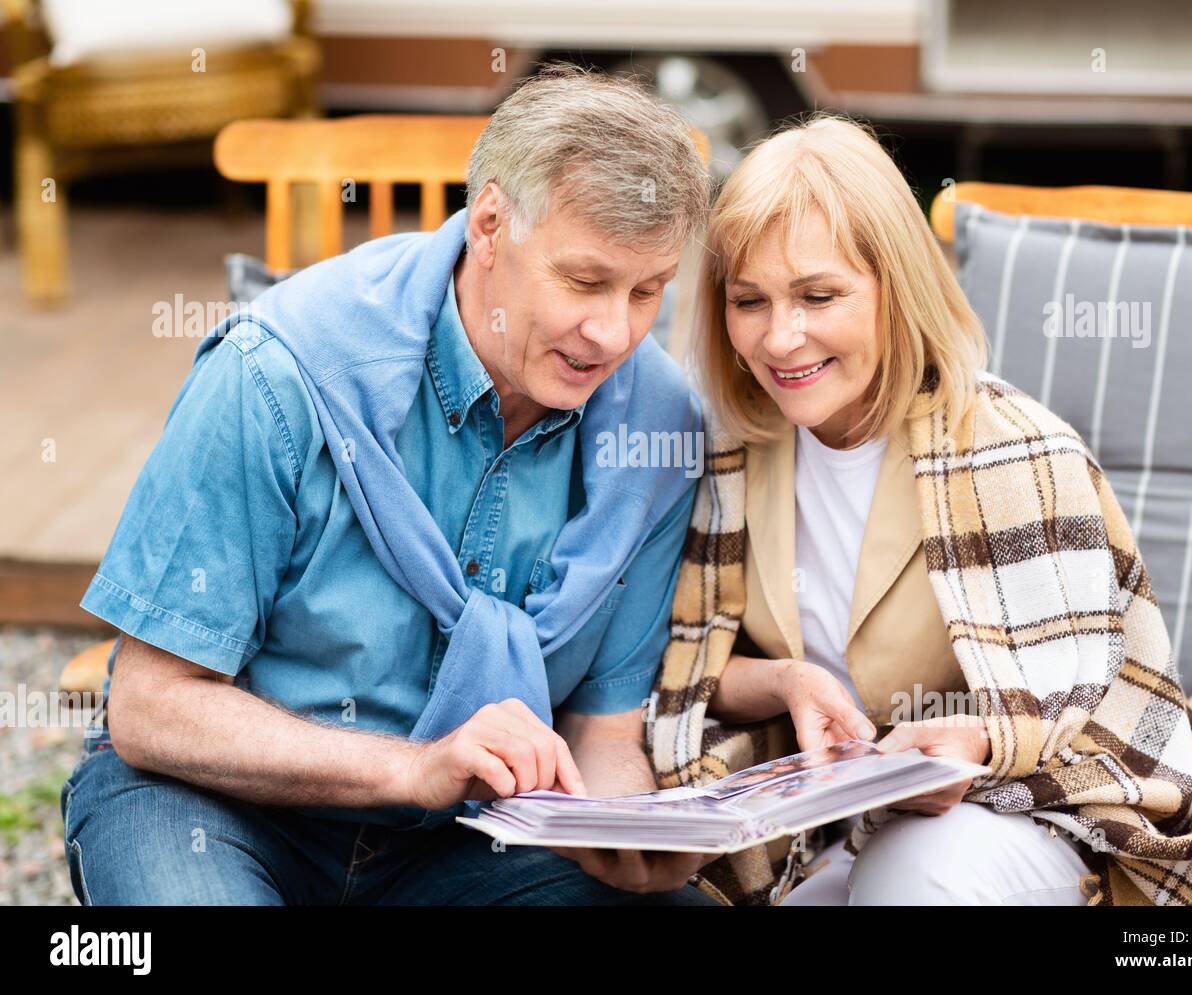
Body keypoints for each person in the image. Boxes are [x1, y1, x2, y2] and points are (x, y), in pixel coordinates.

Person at [61, 65, 721, 906]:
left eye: (648, 292)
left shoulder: (657, 430)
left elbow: (601, 727)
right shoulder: (275, 372)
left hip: (467, 840)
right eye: (586, 282)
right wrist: (415, 767)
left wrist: (621, 828)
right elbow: (151, 707)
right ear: (489, 224)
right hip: (215, 803)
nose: (614, 331)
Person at [679, 114, 1100, 905]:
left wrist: (977, 739)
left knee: (913, 875)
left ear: (895, 287)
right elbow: (688, 661)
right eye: (749, 300)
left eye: (818, 295)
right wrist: (788, 682)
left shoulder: (1015, 451)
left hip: (1019, 816)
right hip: (830, 839)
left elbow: (1099, 694)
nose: (780, 338)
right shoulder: (728, 452)